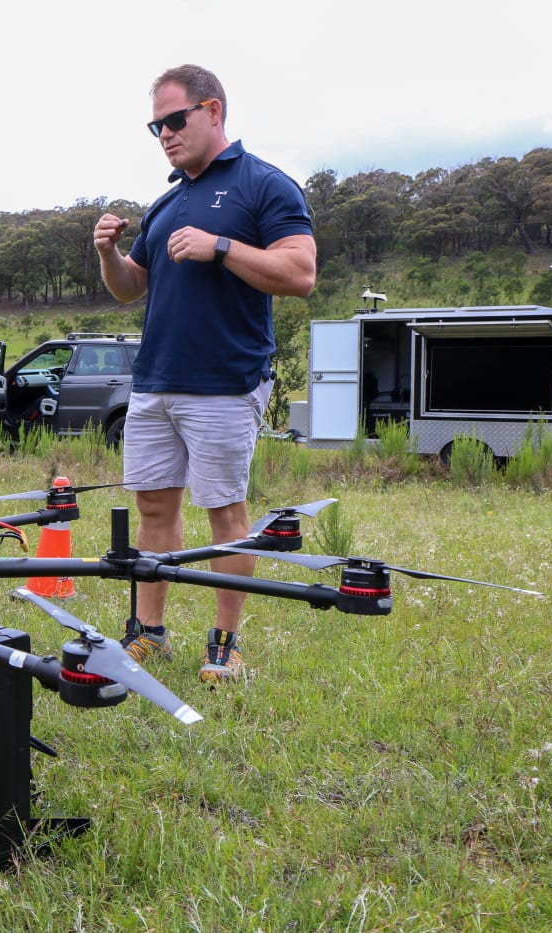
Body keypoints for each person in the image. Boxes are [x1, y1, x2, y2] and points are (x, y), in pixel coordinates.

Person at [92, 65, 317, 682]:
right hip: (155, 381)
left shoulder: (264, 184)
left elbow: (300, 274)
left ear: (212, 111)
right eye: (155, 126)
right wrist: (110, 253)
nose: (164, 134)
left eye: (174, 120)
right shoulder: (166, 202)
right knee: (153, 509)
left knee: (224, 512)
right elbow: (130, 288)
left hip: (224, 382)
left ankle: (225, 644)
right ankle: (149, 632)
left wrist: (220, 246)